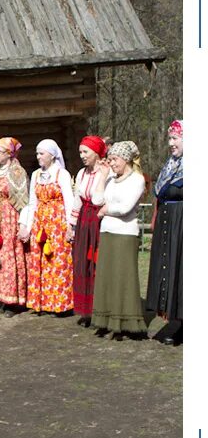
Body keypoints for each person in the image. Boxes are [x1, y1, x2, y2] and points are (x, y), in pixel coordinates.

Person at [90, 141, 148, 340]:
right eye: (111, 159)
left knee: (123, 277)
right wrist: (103, 176)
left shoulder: (137, 180)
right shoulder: (111, 180)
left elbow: (125, 208)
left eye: (115, 159)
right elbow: (96, 200)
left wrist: (107, 210)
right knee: (107, 276)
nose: (112, 163)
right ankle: (107, 321)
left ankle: (126, 321)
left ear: (125, 159)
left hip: (125, 234)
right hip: (107, 232)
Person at [19, 139, 75, 315]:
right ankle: (42, 302)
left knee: (57, 262)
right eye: (37, 153)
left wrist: (70, 226)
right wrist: (27, 227)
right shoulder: (35, 175)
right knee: (40, 262)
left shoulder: (62, 174)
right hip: (40, 224)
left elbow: (69, 202)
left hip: (58, 224)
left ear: (52, 155)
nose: (38, 157)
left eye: (41, 153)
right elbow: (32, 203)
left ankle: (60, 303)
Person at [0, 137, 29, 317]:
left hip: (9, 217)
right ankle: (1, 294)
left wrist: (22, 223)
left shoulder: (18, 171)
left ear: (8, 153)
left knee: (9, 255)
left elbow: (23, 199)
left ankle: (13, 299)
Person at [146, 119, 184, 345]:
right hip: (168, 222)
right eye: (169, 138)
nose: (171, 143)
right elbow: (161, 195)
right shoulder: (170, 165)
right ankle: (176, 319)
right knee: (170, 271)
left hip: (184, 222)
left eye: (175, 138)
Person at [69, 136, 110, 327]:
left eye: (86, 152)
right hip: (84, 219)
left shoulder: (106, 174)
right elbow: (78, 199)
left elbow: (103, 199)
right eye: (80, 152)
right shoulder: (81, 173)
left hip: (98, 219)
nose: (82, 156)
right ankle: (85, 310)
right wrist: (72, 225)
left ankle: (99, 309)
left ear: (96, 153)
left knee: (96, 262)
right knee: (82, 262)